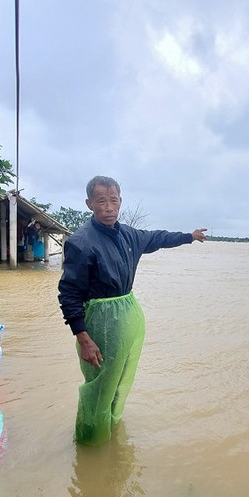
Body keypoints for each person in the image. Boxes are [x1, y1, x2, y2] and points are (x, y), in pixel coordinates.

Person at [58, 175, 207, 446]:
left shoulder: (129, 235)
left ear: (120, 202)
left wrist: (189, 236)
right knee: (100, 385)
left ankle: (112, 429)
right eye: (101, 201)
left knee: (121, 378)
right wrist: (84, 338)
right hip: (100, 323)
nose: (108, 207)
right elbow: (68, 294)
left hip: (127, 315)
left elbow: (158, 237)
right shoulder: (80, 242)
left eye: (113, 200)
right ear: (89, 203)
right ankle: (90, 442)